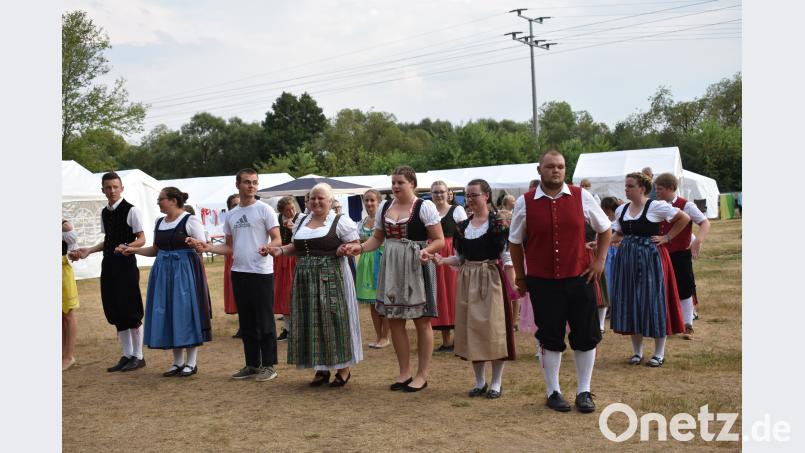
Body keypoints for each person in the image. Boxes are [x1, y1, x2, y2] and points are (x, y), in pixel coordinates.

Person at [509, 150, 612, 413]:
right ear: (539, 169)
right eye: (551, 166)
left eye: (561, 167)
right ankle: (553, 391)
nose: (556, 171)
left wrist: (599, 261)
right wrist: (520, 276)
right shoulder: (526, 202)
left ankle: (584, 391)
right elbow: (515, 241)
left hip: (579, 277)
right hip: (543, 281)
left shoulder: (581, 196)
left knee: (586, 335)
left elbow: (605, 228)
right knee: (550, 336)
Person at [344, 166, 445, 392]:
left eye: (400, 182)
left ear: (412, 184)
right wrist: (359, 248)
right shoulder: (385, 207)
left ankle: (422, 374)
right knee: (396, 320)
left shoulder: (424, 207)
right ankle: (404, 372)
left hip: (416, 266)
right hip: (391, 266)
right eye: (393, 183)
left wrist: (426, 252)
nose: (396, 186)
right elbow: (377, 239)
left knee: (422, 320)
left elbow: (439, 240)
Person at [187, 168, 282, 382]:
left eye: (255, 182)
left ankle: (269, 366)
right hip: (239, 272)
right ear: (237, 184)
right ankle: (252, 364)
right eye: (247, 182)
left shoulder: (265, 210)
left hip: (261, 272)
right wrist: (207, 247)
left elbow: (277, 239)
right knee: (247, 322)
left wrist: (268, 247)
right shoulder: (231, 214)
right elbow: (230, 248)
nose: (251, 186)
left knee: (265, 321)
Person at [269, 183, 363, 387]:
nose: (316, 201)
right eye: (313, 198)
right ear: (307, 201)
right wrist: (281, 251)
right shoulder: (302, 220)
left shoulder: (340, 222)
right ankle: (320, 367)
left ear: (330, 201)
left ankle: (343, 368)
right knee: (312, 320)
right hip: (305, 277)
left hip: (332, 276)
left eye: (321, 198)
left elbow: (356, 245)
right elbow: (298, 247)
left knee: (334, 320)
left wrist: (346, 248)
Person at [434, 179, 515, 399]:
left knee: (494, 330)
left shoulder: (498, 224)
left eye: (474, 195)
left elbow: (507, 257)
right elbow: (460, 258)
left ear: (486, 196)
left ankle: (496, 383)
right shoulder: (463, 227)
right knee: (473, 331)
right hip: (468, 279)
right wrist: (442, 261)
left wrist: (513, 285)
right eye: (467, 196)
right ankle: (480, 381)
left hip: (491, 278)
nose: (470, 200)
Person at [118, 187, 212, 377]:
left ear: (173, 200)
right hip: (163, 272)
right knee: (169, 312)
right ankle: (177, 362)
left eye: (161, 199)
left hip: (184, 272)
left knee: (185, 312)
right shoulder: (159, 221)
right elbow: (155, 249)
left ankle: (191, 363)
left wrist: (196, 244)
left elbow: (202, 247)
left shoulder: (190, 220)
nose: (158, 202)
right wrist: (132, 250)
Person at [610, 172, 690, 368]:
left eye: (630, 186)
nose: (626, 189)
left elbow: (684, 218)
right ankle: (637, 352)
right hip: (627, 259)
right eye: (626, 185)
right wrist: (600, 244)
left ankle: (659, 353)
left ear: (642, 188)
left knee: (653, 301)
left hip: (650, 259)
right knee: (631, 302)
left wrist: (667, 238)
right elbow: (618, 232)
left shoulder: (656, 206)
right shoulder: (622, 209)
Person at [70, 172, 147, 373]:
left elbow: (142, 238)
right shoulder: (105, 212)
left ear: (122, 188)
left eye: (115, 187)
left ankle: (139, 356)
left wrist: (128, 246)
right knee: (114, 309)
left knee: (130, 309)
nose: (112, 191)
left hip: (126, 265)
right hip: (109, 264)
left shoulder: (132, 211)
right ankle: (127, 354)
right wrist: (89, 250)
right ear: (102, 190)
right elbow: (109, 241)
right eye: (108, 187)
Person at [654, 173, 711, 340]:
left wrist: (697, 240)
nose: (657, 192)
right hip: (661, 253)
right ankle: (668, 322)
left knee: (684, 288)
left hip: (680, 253)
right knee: (662, 287)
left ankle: (688, 324)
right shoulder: (656, 205)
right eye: (656, 188)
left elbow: (705, 223)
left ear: (671, 188)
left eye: (660, 189)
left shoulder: (686, 205)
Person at [429, 180, 468, 352]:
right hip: (433, 256)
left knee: (454, 295)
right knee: (439, 296)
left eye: (441, 191)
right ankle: (446, 341)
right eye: (435, 192)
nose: (439, 195)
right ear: (431, 194)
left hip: (452, 255)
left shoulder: (457, 210)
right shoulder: (428, 211)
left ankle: (459, 340)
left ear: (448, 193)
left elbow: (466, 233)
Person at [355, 189, 390, 349]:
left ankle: (385, 336)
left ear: (378, 202)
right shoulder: (361, 222)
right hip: (366, 262)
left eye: (372, 200)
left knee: (385, 300)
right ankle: (378, 335)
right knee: (372, 302)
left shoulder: (385, 219)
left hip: (382, 259)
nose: (369, 203)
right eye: (366, 200)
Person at [273, 196, 300, 342]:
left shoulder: (301, 219)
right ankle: (288, 329)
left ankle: (297, 329)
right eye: (287, 210)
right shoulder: (277, 219)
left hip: (294, 258)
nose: (291, 211)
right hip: (281, 258)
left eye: (292, 207)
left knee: (294, 293)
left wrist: (294, 228)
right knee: (283, 294)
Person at [62, 220, 80, 371]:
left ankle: (68, 357)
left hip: (61, 271)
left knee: (67, 314)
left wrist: (74, 253)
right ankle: (63, 354)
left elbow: (73, 252)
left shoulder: (64, 225)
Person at [223, 194, 241, 337]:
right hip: (231, 256)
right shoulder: (230, 220)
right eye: (234, 205)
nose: (237, 207)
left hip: (244, 257)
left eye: (238, 204)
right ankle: (243, 324)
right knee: (236, 291)